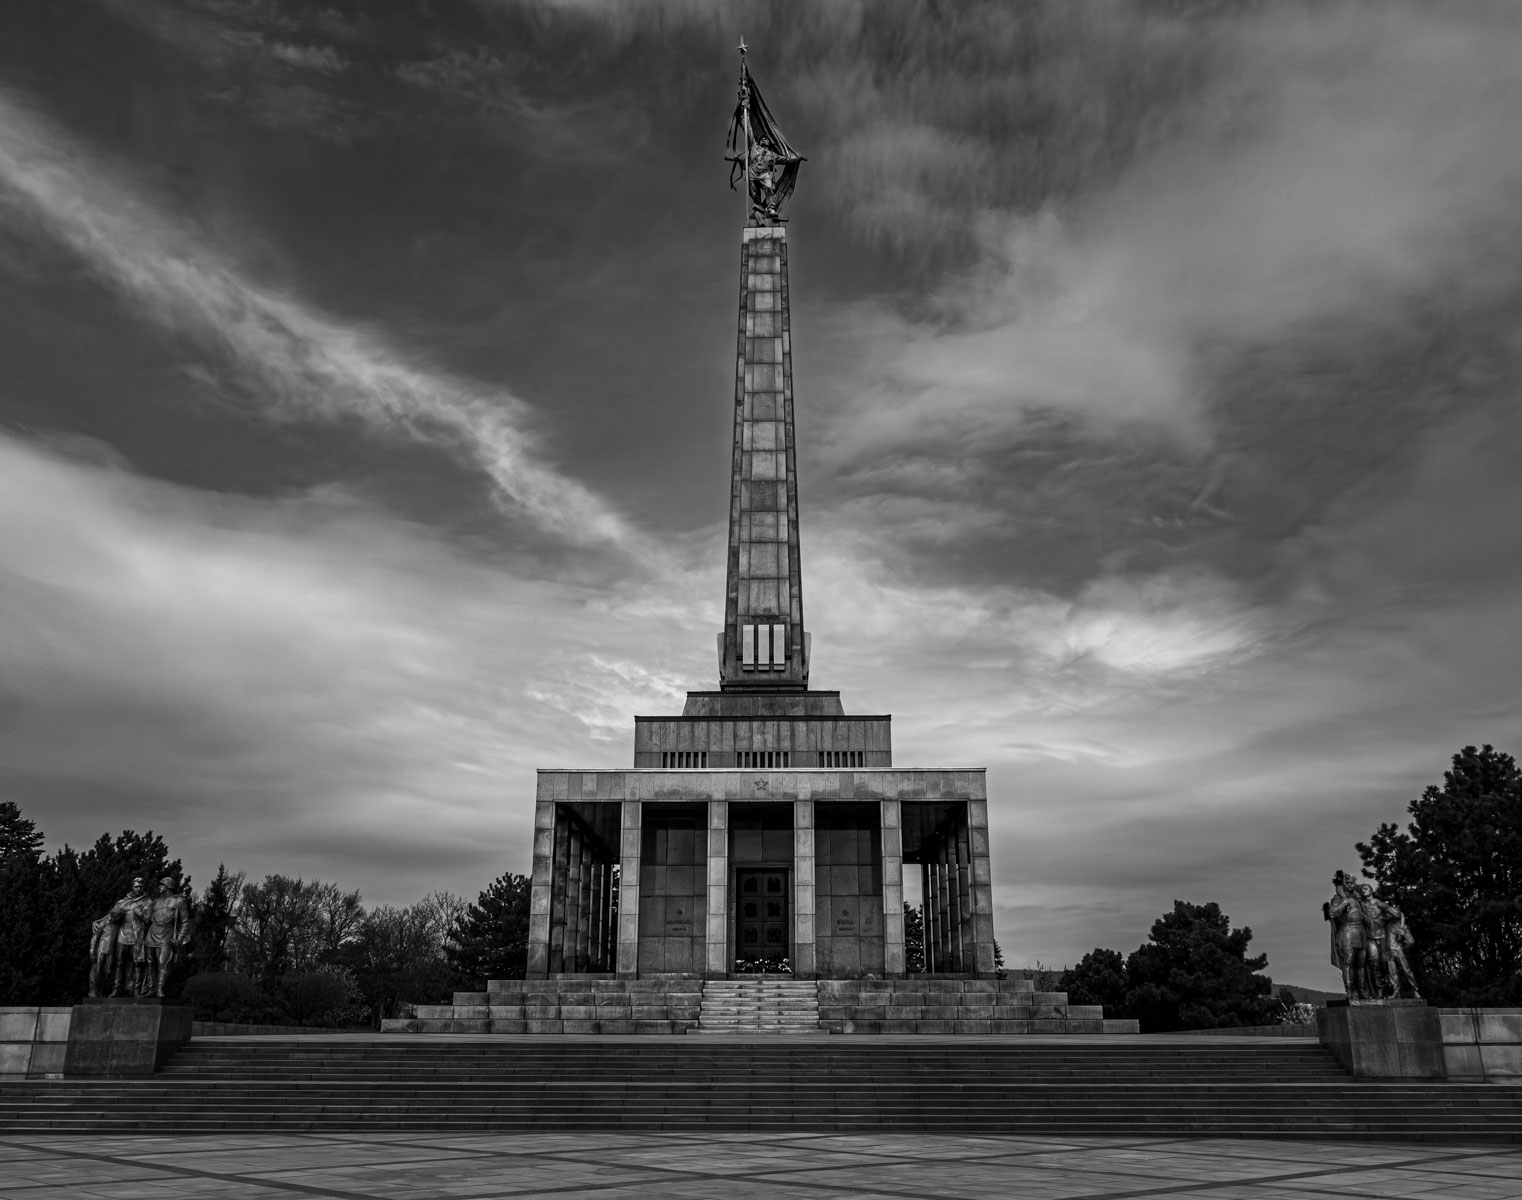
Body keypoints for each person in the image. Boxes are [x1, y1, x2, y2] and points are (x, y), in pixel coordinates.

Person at [145, 875, 192, 997]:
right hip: (152, 933)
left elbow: (185, 921)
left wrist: (180, 939)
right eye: (160, 885)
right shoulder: (155, 902)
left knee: (162, 962)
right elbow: (146, 919)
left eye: (162, 885)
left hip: (166, 933)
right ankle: (151, 988)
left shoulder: (179, 901)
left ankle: (160, 988)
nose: (160, 887)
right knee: (150, 963)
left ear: (168, 886)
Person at [110, 877, 154, 996]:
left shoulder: (148, 902)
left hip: (137, 936)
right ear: (132, 887)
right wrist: (116, 914)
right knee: (119, 963)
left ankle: (136, 990)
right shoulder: (122, 902)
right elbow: (112, 916)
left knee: (138, 964)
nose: (138, 889)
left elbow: (148, 920)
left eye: (140, 886)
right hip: (122, 935)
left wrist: (139, 913)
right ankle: (116, 988)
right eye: (136, 886)